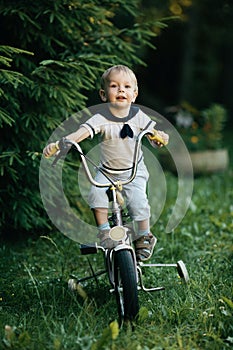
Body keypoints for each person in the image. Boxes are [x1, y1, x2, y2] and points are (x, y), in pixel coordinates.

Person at [43, 65, 169, 261]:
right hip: (107, 171)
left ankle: (144, 235)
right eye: (114, 86)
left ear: (134, 94)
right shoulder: (100, 119)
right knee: (95, 194)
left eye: (127, 87)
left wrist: (159, 137)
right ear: (103, 94)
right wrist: (61, 144)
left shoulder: (139, 117)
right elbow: (80, 134)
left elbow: (153, 136)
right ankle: (104, 231)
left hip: (134, 170)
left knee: (138, 202)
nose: (121, 90)